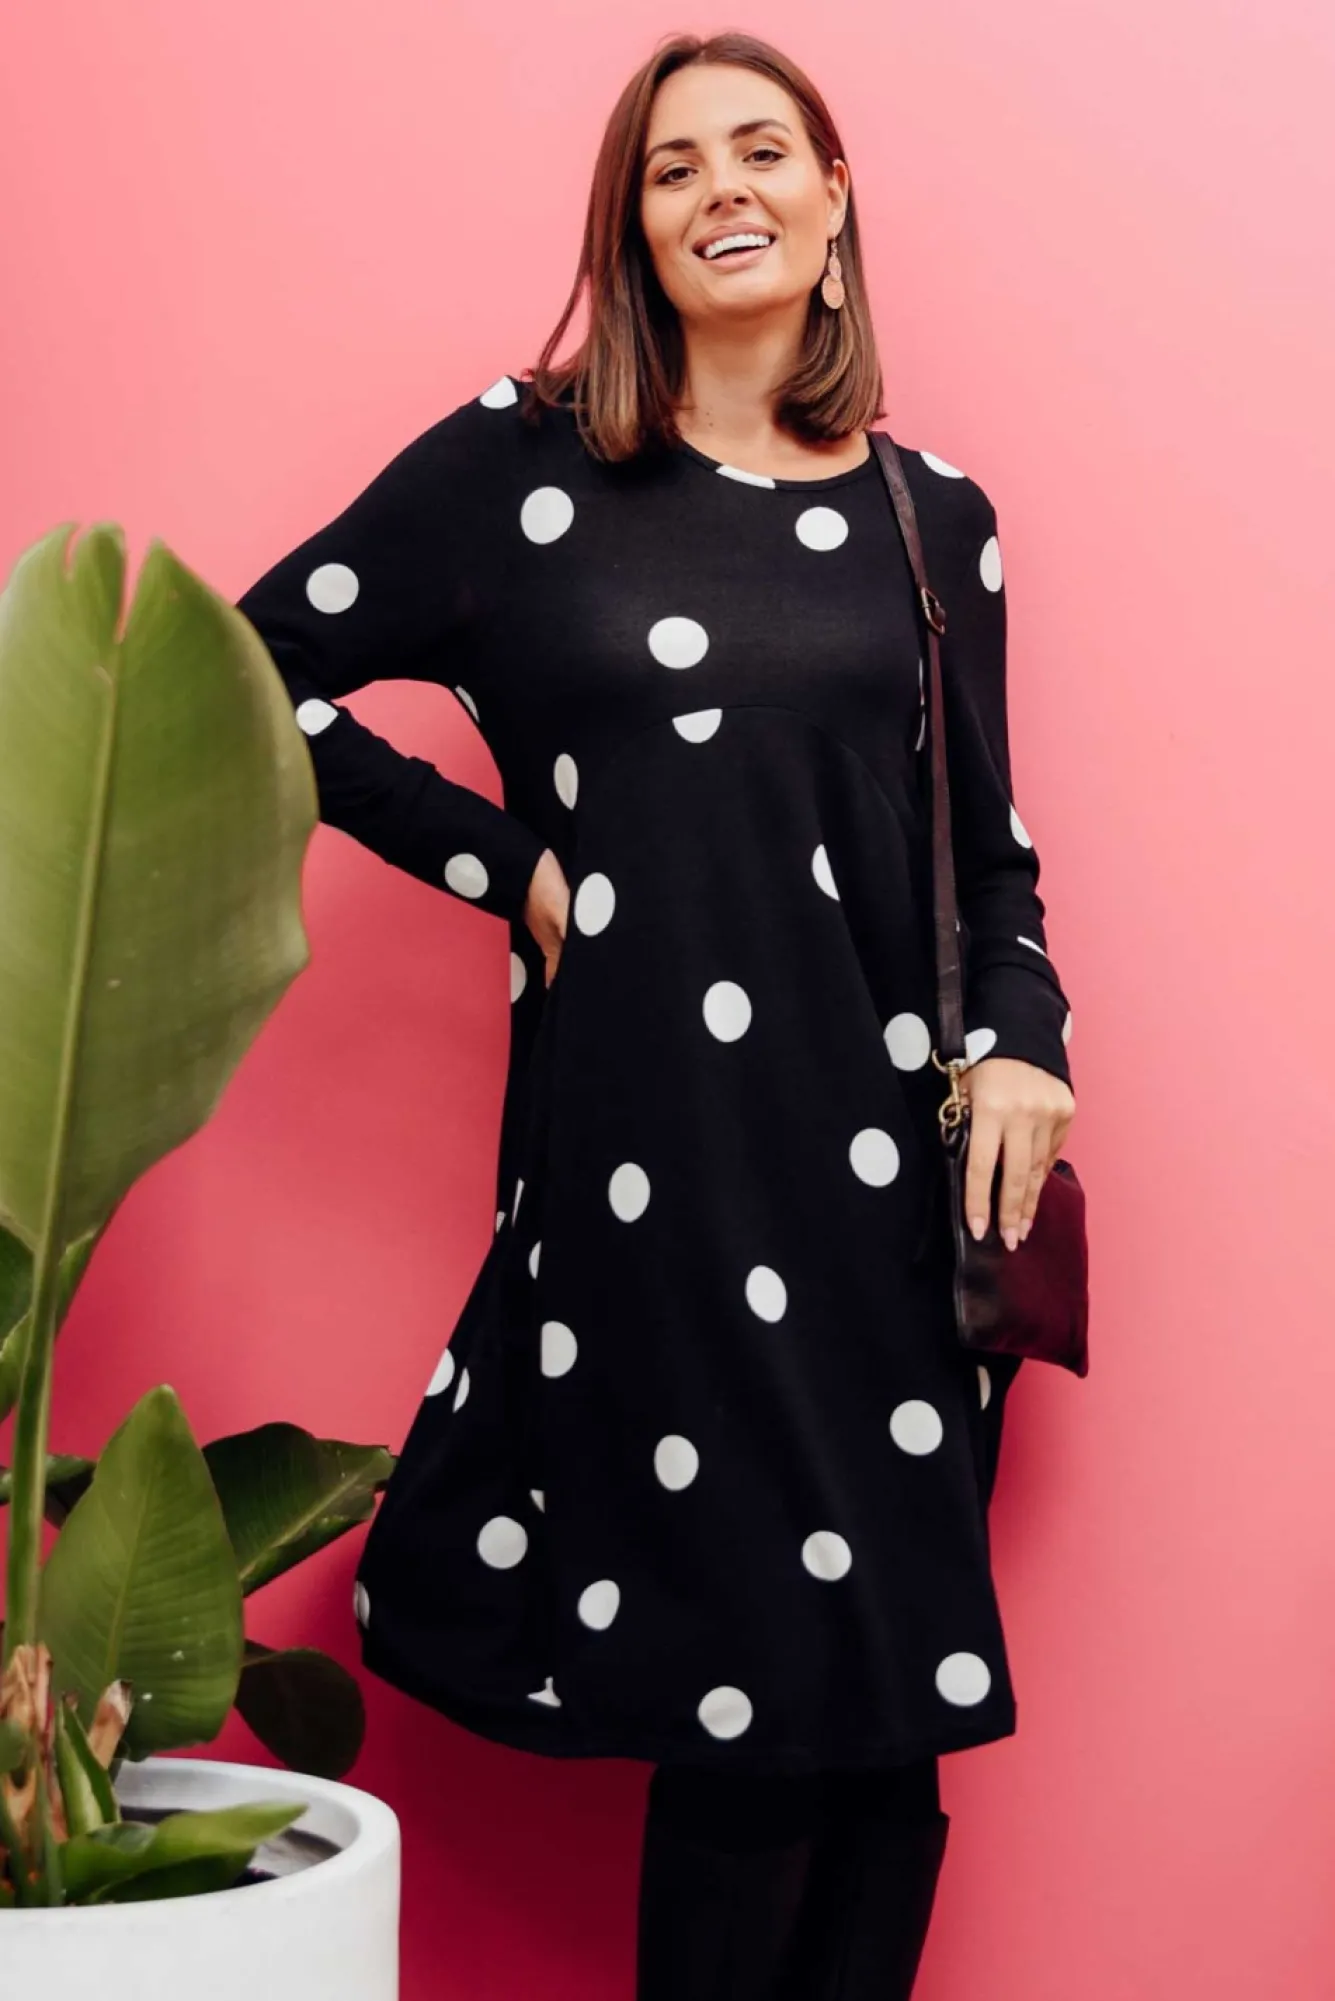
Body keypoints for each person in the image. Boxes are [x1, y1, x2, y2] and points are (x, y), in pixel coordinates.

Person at [237, 29, 1077, 1999]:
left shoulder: (927, 516)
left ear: (832, 200)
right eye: (674, 165)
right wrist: (499, 861)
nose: (723, 191)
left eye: (761, 151)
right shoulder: (521, 470)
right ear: (631, 225)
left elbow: (990, 858)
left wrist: (1028, 1042)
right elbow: (250, 657)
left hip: (890, 1201)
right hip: (655, 1181)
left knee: (879, 1721)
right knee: (753, 1705)